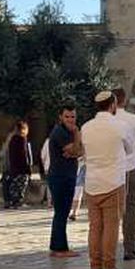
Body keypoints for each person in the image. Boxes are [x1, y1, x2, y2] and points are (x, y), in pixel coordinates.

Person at [82, 91, 132, 269]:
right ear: (112, 105)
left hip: (92, 183)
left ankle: (95, 266)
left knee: (95, 227)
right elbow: (130, 149)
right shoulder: (120, 126)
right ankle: (108, 265)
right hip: (113, 182)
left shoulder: (86, 127)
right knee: (111, 226)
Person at [113, 88, 135, 262]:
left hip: (111, 170)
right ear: (124, 100)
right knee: (130, 209)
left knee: (109, 211)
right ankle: (129, 248)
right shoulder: (134, 120)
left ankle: (107, 250)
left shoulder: (104, 122)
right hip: (130, 167)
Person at [47, 104, 83, 258]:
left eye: (73, 117)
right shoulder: (60, 132)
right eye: (67, 116)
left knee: (62, 212)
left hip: (67, 176)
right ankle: (60, 248)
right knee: (61, 213)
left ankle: (57, 246)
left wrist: (75, 151)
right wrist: (77, 135)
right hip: (60, 177)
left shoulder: (67, 133)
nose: (70, 120)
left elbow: (80, 151)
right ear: (60, 117)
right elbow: (76, 150)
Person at [5, 120, 32, 209]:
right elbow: (24, 154)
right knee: (21, 185)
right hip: (22, 168)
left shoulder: (12, 139)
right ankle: (18, 202)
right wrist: (28, 168)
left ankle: (13, 202)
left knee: (15, 185)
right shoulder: (22, 139)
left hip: (14, 167)